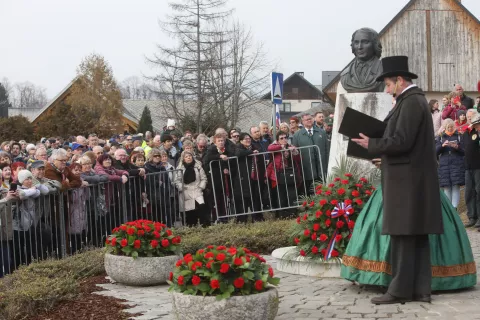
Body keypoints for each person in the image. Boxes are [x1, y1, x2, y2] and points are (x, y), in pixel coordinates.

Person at [352, 56, 442, 304]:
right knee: (416, 235)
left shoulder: (411, 102)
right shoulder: (411, 101)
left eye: (388, 84)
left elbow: (402, 141)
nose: (386, 89)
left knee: (403, 235)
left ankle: (400, 290)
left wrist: (373, 145)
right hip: (411, 178)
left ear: (400, 80)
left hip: (407, 183)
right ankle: (421, 290)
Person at [341, 160, 476, 292]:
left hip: (417, 188)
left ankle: (416, 281)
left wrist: (391, 163)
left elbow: (430, 162)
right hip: (394, 186)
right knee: (381, 226)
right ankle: (385, 277)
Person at [292, 113, 329, 194]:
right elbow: (295, 153)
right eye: (306, 119)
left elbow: (327, 149)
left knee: (323, 191)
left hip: (321, 168)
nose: (309, 120)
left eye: (310, 119)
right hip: (307, 168)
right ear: (302, 122)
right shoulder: (297, 135)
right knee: (309, 192)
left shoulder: (321, 132)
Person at [436, 119, 465, 210]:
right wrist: (442, 146)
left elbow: (464, 151)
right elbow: (435, 152)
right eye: (448, 127)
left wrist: (457, 147)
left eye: (451, 127)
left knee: (455, 186)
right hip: (444, 165)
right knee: (447, 187)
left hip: (456, 164)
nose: (450, 129)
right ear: (444, 128)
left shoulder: (459, 136)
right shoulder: (440, 137)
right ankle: (449, 209)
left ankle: (454, 208)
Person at [174, 151, 208, 226]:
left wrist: (201, 187)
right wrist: (181, 188)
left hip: (197, 190)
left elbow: (203, 178)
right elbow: (177, 180)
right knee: (190, 212)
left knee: (201, 208)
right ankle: (192, 227)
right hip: (186, 191)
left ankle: (204, 226)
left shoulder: (198, 166)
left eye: (190, 156)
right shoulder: (180, 168)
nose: (189, 157)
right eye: (186, 156)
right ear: (183, 159)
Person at [462, 113, 480, 228]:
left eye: (476, 123)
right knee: (469, 192)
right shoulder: (466, 133)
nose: (475, 126)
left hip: (478, 166)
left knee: (479, 192)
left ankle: (479, 218)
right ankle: (472, 217)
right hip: (468, 167)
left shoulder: (478, 133)